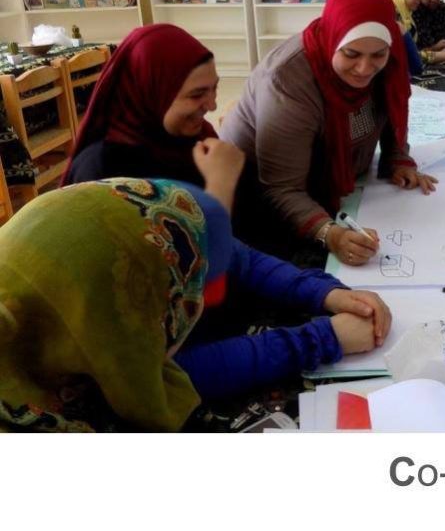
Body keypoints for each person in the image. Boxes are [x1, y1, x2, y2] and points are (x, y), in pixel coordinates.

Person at [0, 174, 392, 432]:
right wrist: (321, 339)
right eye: (183, 298)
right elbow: (180, 377)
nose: (198, 304)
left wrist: (324, 292)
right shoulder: (99, 354)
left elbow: (234, 255)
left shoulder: (126, 220)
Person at [220, 0, 436, 266]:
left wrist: (397, 158)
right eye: (351, 54)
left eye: (378, 55)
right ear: (333, 38)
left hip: (333, 187)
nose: (364, 68)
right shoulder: (287, 81)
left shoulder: (390, 54)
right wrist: (330, 234)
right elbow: (281, 188)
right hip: (265, 212)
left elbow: (393, 106)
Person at [63, 23, 220, 189]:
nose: (213, 106)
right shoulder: (101, 170)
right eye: (196, 95)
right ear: (150, 93)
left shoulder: (199, 140)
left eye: (214, 88)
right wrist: (220, 181)